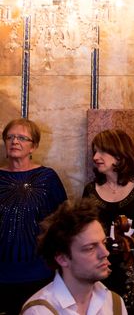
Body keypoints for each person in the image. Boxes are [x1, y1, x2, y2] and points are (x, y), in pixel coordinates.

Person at [81, 130, 134, 315]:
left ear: (120, 154)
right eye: (95, 151)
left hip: (129, 273)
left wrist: (126, 243)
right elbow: (83, 232)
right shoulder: (90, 191)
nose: (95, 157)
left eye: (102, 151)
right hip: (97, 270)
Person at [0, 118, 68, 315]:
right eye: (10, 137)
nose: (14, 141)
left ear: (34, 146)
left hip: (39, 271)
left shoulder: (47, 178)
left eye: (22, 138)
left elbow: (63, 222)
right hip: (2, 274)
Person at [20, 198, 126, 315]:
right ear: (62, 259)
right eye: (90, 248)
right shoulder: (39, 311)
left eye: (104, 243)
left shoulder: (114, 303)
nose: (105, 253)